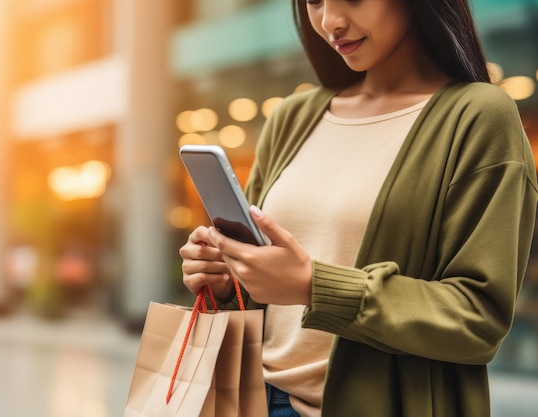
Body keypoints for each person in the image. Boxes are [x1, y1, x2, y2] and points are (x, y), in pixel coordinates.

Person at [179, 0, 538, 416]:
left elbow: (479, 319)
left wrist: (315, 285)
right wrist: (227, 279)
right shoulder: (293, 117)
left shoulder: (479, 115)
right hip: (252, 400)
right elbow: (269, 294)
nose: (330, 21)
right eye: (314, 1)